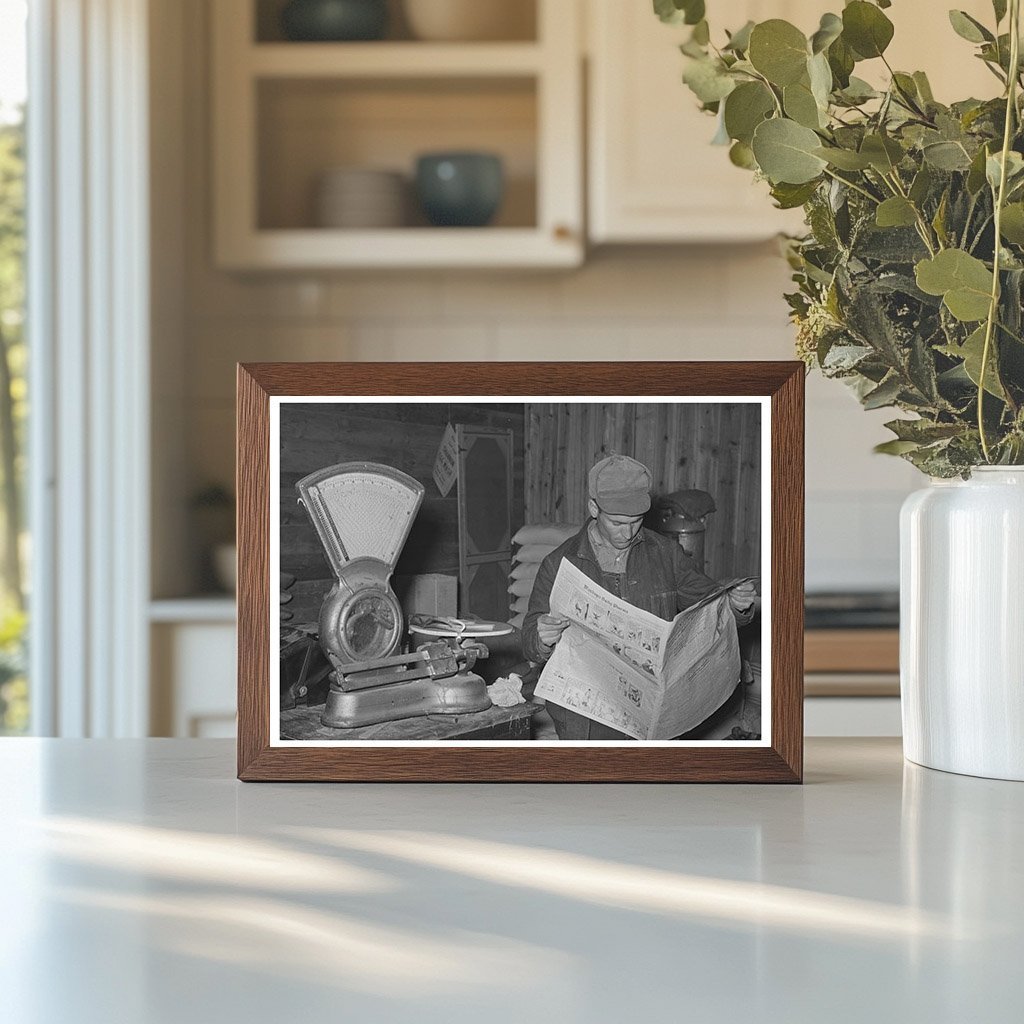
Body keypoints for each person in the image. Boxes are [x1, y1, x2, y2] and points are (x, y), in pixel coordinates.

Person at [521, 454, 757, 740]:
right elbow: (530, 641)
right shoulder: (559, 563)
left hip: (650, 710)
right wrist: (542, 636)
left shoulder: (665, 553)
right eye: (618, 523)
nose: (628, 532)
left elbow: (708, 603)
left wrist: (734, 605)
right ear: (593, 508)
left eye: (636, 521)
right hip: (587, 717)